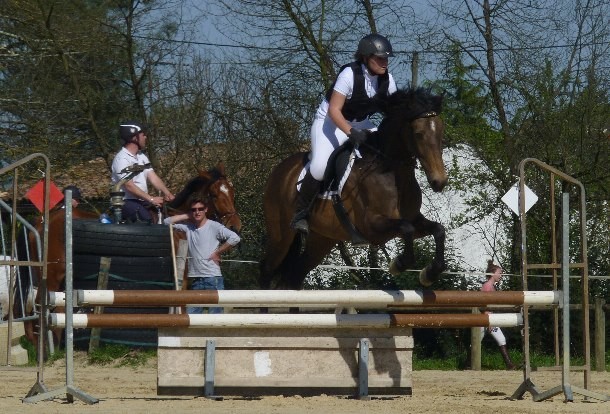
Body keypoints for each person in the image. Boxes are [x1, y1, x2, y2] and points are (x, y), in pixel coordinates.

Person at [291, 33, 398, 234]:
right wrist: (351, 132)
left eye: (386, 58)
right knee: (319, 167)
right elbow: (334, 110)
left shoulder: (388, 80)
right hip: (330, 122)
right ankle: (301, 213)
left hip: (362, 123)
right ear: (366, 57)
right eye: (380, 58)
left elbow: (394, 113)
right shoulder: (349, 74)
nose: (385, 63)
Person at [163, 193, 240, 314]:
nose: (197, 212)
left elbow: (235, 238)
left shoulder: (214, 226)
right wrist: (187, 215)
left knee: (215, 317)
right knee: (192, 316)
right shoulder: (188, 227)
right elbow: (166, 222)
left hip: (213, 278)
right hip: (196, 279)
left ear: (206, 210)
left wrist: (218, 252)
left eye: (200, 209)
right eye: (194, 210)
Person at [111, 121, 175, 223]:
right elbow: (129, 186)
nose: (145, 137)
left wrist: (168, 193)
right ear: (135, 138)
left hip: (142, 200)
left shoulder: (142, 156)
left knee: (164, 216)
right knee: (147, 220)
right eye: (143, 135)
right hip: (126, 201)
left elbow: (153, 177)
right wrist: (151, 199)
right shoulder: (121, 159)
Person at [481, 260, 517, 370]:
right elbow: (484, 304)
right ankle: (468, 363)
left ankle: (509, 365)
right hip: (485, 318)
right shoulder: (487, 287)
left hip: (491, 318)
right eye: (499, 273)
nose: (501, 275)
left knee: (501, 339)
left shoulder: (492, 287)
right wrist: (488, 321)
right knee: (476, 341)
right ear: (493, 274)